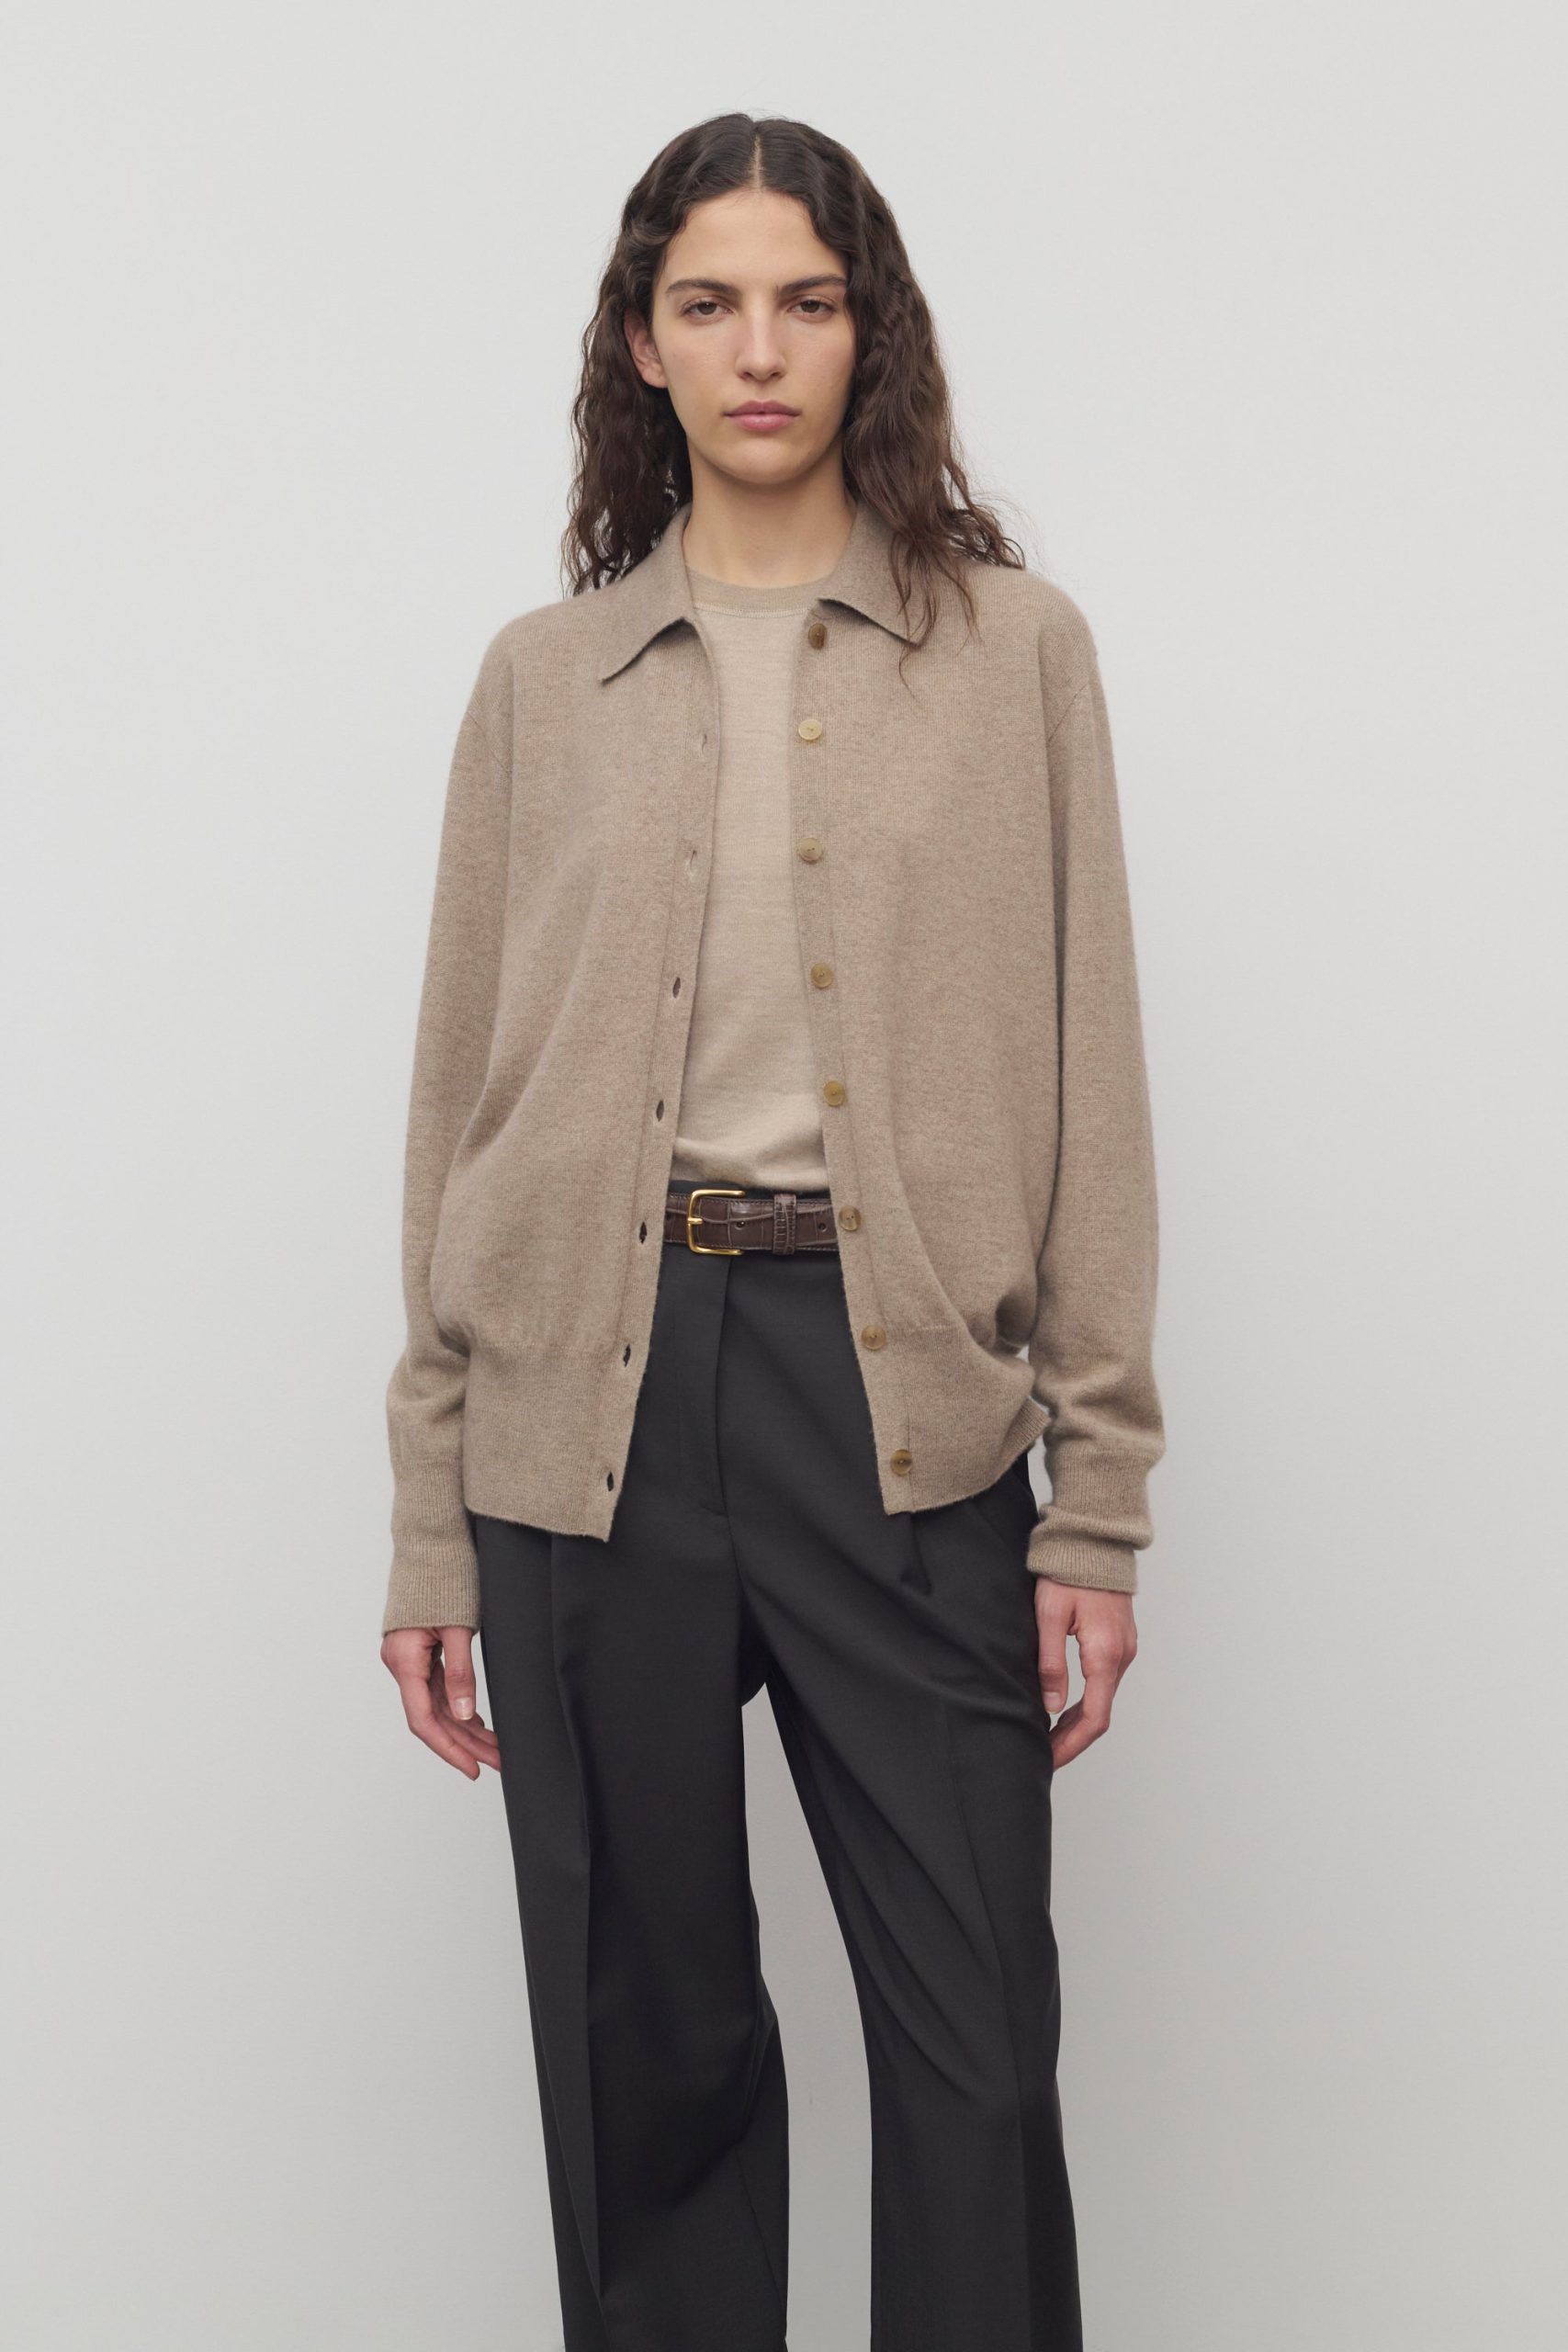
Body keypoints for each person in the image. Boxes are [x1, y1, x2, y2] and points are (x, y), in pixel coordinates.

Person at [378, 109, 1165, 2352]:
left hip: (897, 1405)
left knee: (971, 2041)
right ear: (639, 342)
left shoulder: (1011, 656)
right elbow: (457, 1108)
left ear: (864, 331)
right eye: (706, 303)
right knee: (645, 2044)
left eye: (803, 302)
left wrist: (1093, 1500)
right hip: (583, 1405)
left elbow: (1087, 1081)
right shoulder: (542, 681)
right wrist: (431, 1516)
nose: (756, 350)